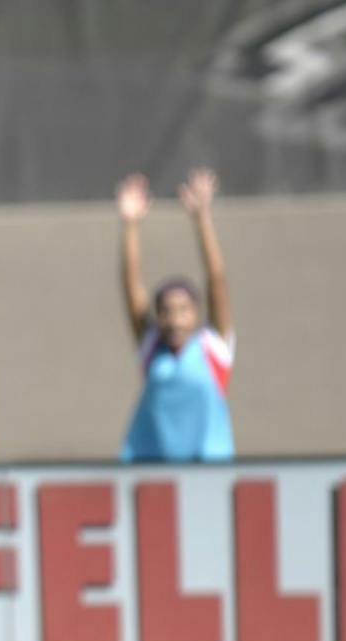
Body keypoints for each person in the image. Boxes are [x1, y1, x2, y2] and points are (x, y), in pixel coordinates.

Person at [116, 168, 236, 463]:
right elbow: (131, 285)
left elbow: (216, 280)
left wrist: (201, 219)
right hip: (150, 468)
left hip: (209, 468)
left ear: (197, 315)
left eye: (183, 311)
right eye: (166, 312)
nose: (174, 320)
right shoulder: (152, 349)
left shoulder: (212, 348)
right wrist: (130, 225)